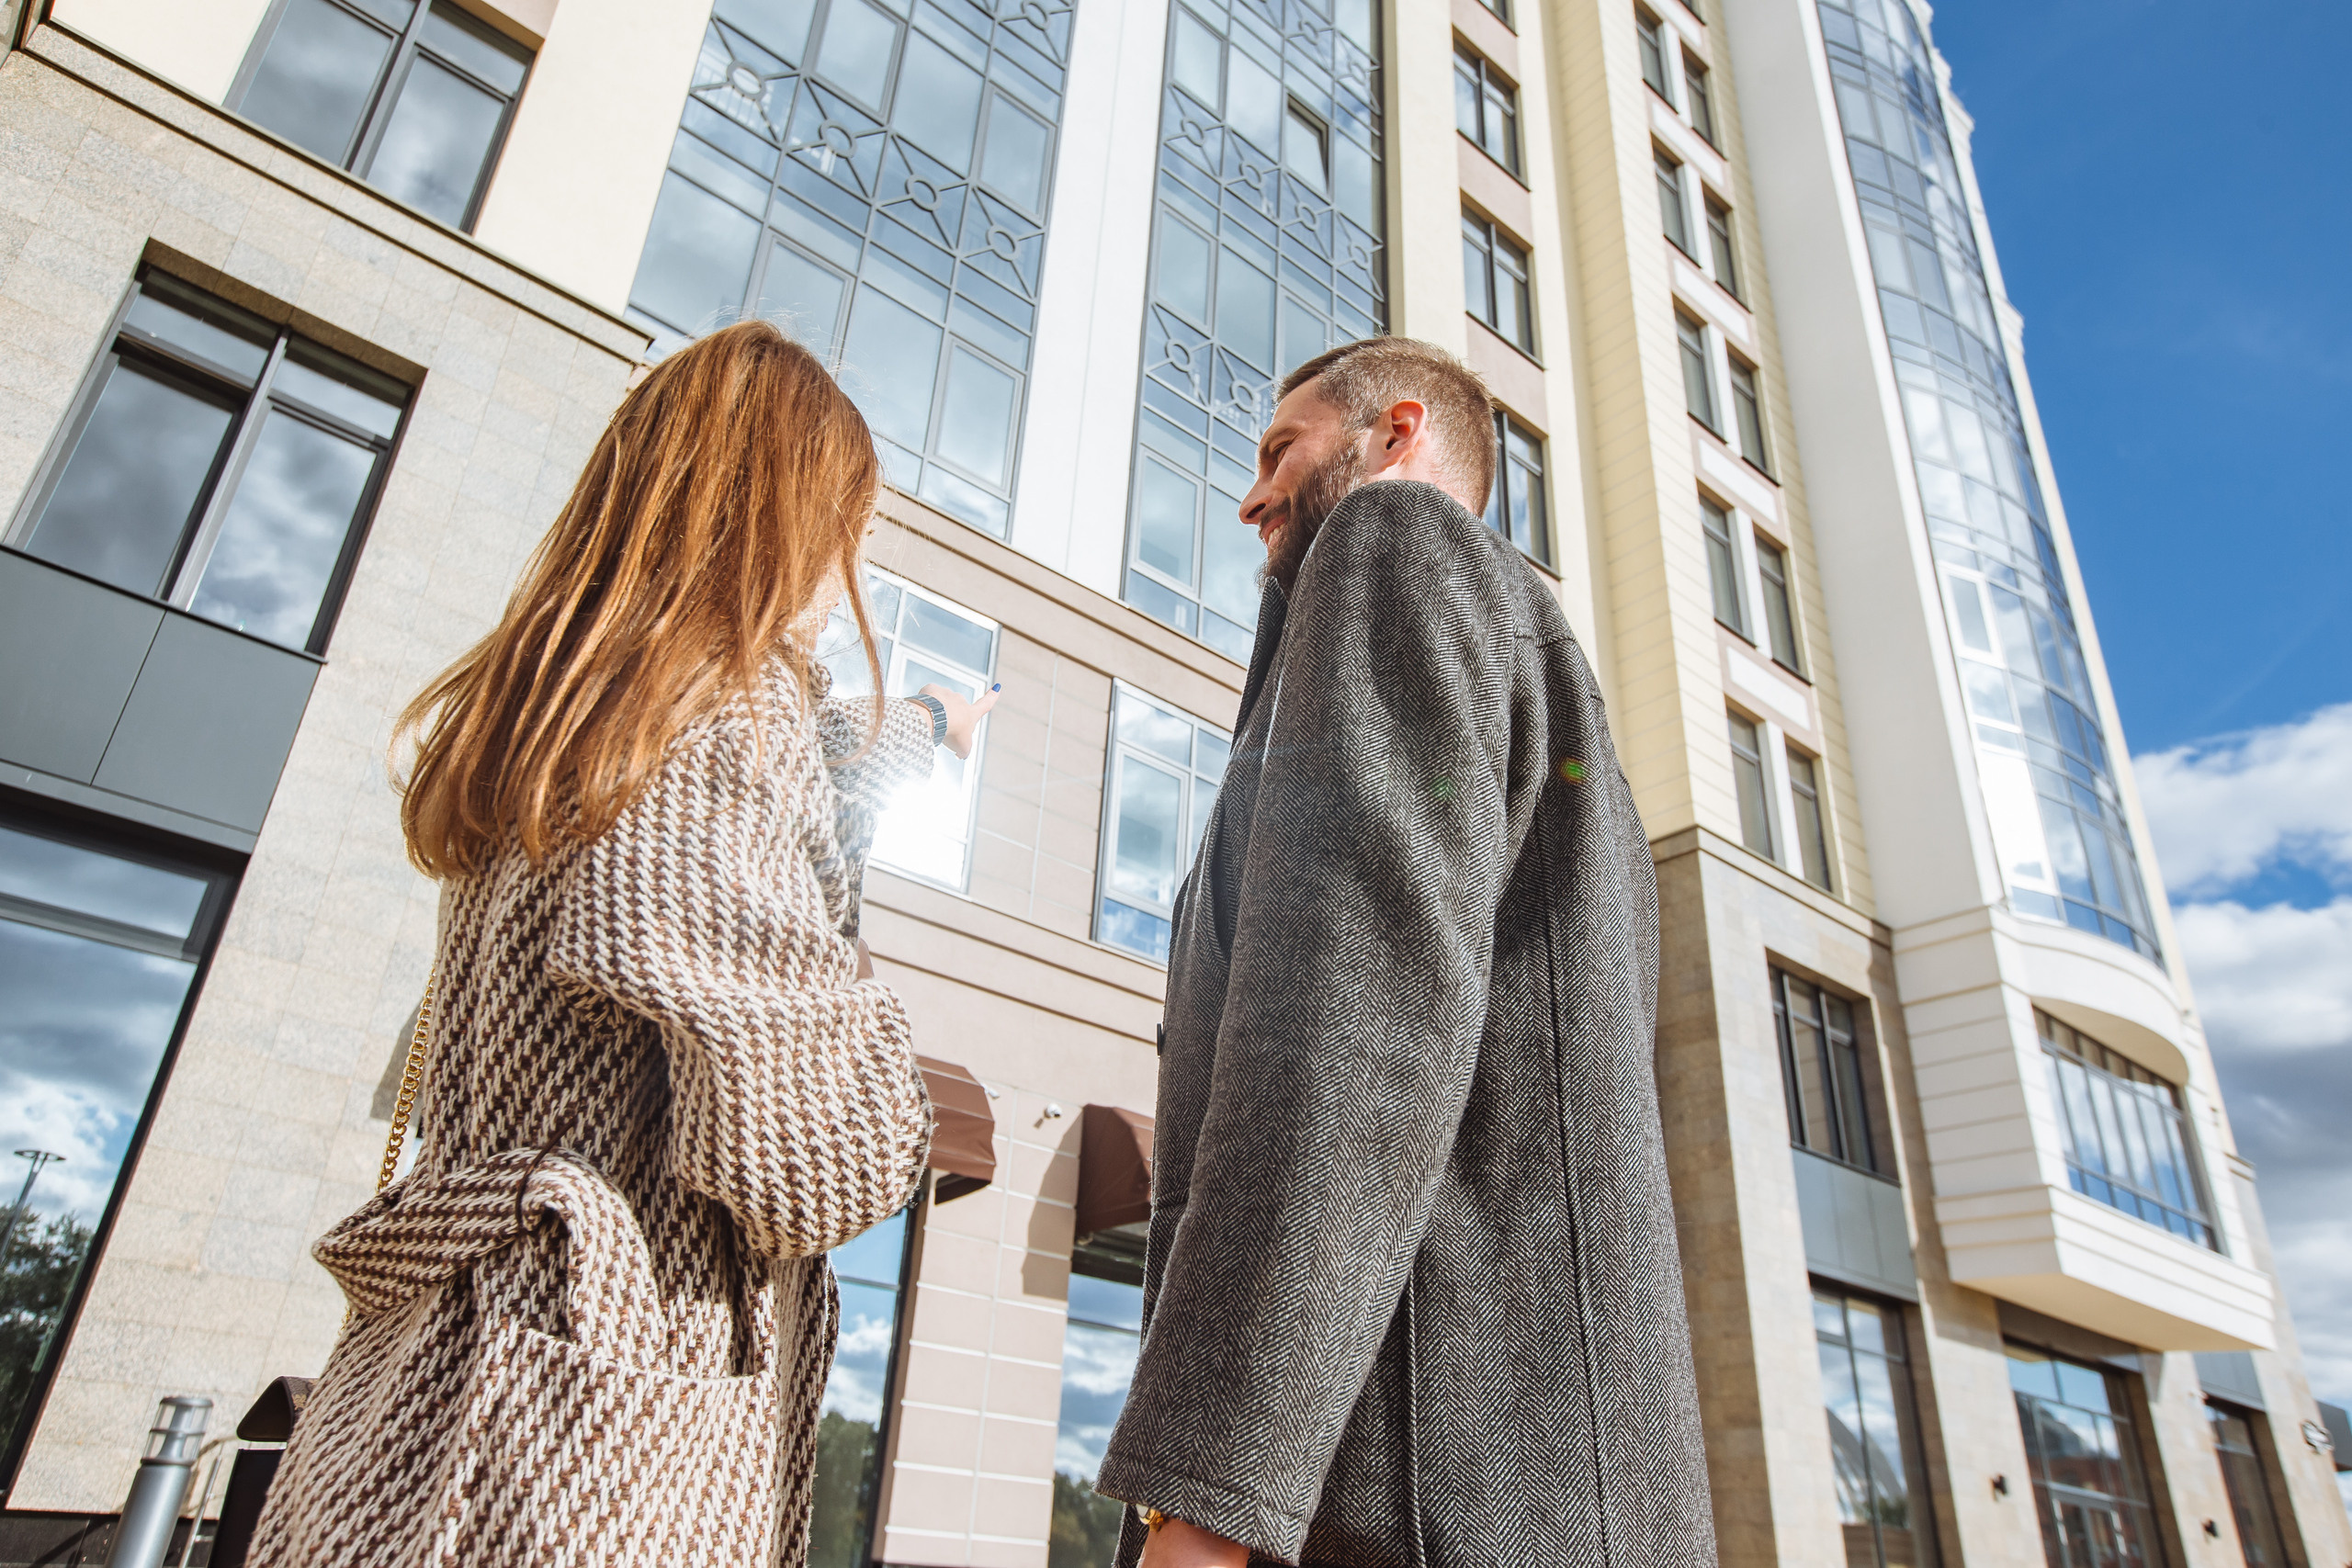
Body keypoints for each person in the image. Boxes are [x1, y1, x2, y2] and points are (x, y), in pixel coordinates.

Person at [249, 321, 994, 1567]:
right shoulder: (727, 726)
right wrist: (890, 1075)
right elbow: (809, 1166)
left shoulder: (575, 727)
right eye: (847, 527)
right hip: (575, 1432)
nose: (844, 568)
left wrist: (919, 721)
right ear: (788, 519)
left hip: (437, 1391)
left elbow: (737, 848)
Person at [1095, 339, 1716, 1568]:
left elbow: (1354, 1031)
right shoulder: (1546, 676)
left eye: (1283, 450)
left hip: (1400, 1498)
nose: (1252, 492)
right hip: (1529, 1490)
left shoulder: (1392, 550)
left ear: (1394, 437)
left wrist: (1210, 1499)